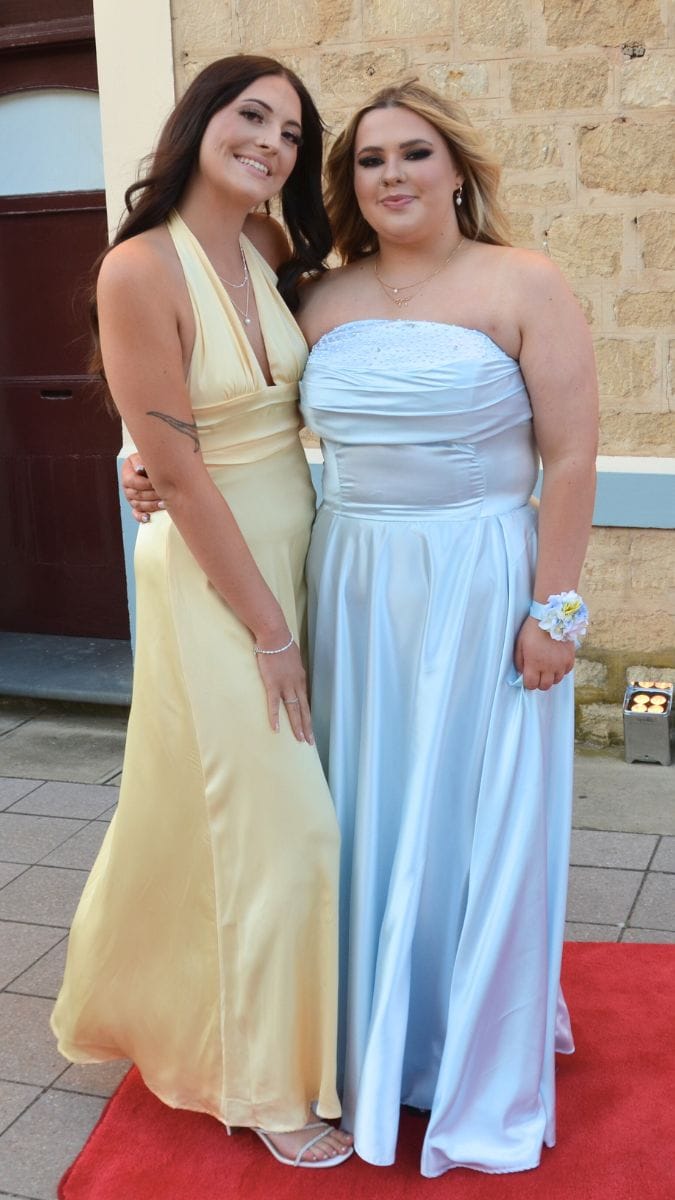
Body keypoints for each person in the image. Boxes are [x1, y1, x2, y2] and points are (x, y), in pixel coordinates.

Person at [122, 80, 598, 1177]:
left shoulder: (524, 282)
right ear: (349, 182)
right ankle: (363, 1034)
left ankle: (465, 1044)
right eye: (370, 159)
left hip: (481, 581)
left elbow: (572, 457)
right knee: (362, 808)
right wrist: (147, 464)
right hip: (348, 582)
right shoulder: (315, 293)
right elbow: (231, 406)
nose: (392, 175)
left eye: (414, 153)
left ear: (456, 169)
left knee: (473, 813)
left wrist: (555, 611)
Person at [50, 55, 354, 1170]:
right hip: (218, 572)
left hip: (296, 541)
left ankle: (189, 1000)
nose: (270, 142)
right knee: (287, 827)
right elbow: (177, 466)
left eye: (291, 132)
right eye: (251, 115)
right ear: (199, 121)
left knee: (222, 811)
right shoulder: (137, 267)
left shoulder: (270, 246)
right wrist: (270, 631)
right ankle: (264, 1084)